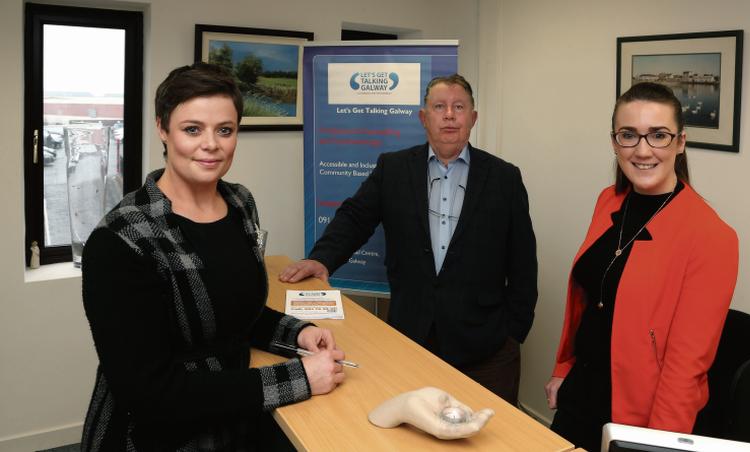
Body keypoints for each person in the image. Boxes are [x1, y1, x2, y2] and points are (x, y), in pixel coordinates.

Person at [81, 63, 346, 450]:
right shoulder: (119, 240)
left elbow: (228, 314)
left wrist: (298, 333)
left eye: (225, 130)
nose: (212, 144)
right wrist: (300, 379)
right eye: (192, 129)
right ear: (162, 129)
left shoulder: (240, 203)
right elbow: (151, 394)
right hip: (151, 437)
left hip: (236, 415)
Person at [280, 74, 538, 405]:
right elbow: (355, 218)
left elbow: (523, 260)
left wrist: (513, 334)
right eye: (439, 107)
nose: (449, 115)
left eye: (459, 107)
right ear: (423, 117)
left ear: (473, 118)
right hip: (411, 338)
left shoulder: (504, 177)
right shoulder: (394, 169)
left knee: (496, 436)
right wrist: (321, 258)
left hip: (486, 348)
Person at [544, 82, 738, 451]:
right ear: (615, 142)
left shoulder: (712, 236)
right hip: (580, 396)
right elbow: (590, 301)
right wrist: (563, 369)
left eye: (659, 136)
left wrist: (655, 445)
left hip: (639, 416)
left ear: (680, 142)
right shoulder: (609, 201)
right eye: (629, 135)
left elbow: (686, 369)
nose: (643, 150)